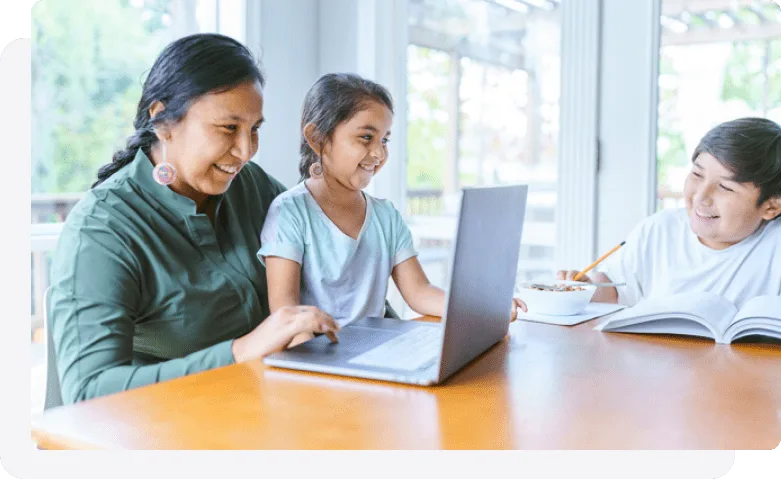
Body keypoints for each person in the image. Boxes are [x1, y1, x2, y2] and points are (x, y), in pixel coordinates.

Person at [48, 33, 340, 405]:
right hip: (169, 437)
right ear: (162, 121)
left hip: (273, 410)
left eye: (254, 130)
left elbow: (335, 262)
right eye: (228, 128)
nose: (246, 151)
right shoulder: (101, 231)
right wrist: (240, 351)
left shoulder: (251, 187)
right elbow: (88, 393)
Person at [257, 73, 525, 347]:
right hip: (319, 360)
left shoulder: (385, 216)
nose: (379, 154)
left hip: (375, 352)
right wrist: (313, 368)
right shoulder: (290, 212)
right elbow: (285, 316)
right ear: (317, 138)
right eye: (365, 137)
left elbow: (419, 292)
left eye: (384, 140)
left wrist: (483, 308)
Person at [557, 117, 781, 308]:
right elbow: (614, 292)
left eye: (725, 187)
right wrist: (585, 290)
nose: (701, 197)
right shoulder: (659, 230)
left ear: (771, 206)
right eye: (697, 175)